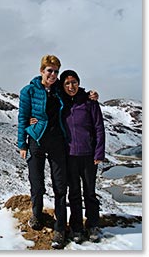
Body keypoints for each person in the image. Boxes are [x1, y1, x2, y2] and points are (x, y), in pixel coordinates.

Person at [17, 54, 68, 249]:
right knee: (37, 185)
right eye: (50, 70)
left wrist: (91, 95)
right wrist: (22, 144)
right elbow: (23, 118)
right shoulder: (28, 91)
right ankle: (36, 216)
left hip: (57, 142)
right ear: (41, 71)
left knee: (60, 186)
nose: (53, 74)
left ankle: (60, 228)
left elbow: (75, 93)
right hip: (36, 141)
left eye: (56, 71)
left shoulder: (59, 90)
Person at [59, 70, 105, 244]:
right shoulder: (61, 104)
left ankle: (92, 225)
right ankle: (77, 227)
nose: (71, 86)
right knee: (75, 194)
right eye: (67, 84)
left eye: (74, 82)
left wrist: (99, 152)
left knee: (90, 192)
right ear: (63, 86)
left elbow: (99, 128)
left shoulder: (89, 102)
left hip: (88, 156)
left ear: (79, 83)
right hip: (70, 156)